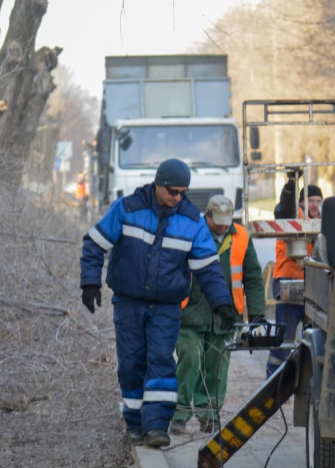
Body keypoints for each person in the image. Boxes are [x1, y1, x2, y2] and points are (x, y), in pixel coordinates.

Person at [79, 159, 236, 449]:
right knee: (131, 365)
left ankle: (155, 427)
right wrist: (90, 282)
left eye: (183, 193)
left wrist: (222, 303)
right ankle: (135, 425)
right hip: (128, 303)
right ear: (158, 185)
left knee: (161, 362)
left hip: (166, 307)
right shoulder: (127, 209)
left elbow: (208, 269)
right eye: (173, 192)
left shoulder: (191, 221)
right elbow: (94, 243)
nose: (178, 198)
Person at [171, 195, 265, 435]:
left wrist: (257, 315)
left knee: (217, 366)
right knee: (190, 357)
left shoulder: (242, 237)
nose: (223, 226)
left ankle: (209, 415)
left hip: (225, 316)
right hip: (190, 312)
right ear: (208, 216)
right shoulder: (192, 232)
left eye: (227, 220)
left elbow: (253, 278)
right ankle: (180, 413)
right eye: (218, 221)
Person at [266, 177, 323, 377]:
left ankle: (303, 382)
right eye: (311, 200)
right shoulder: (295, 216)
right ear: (302, 202)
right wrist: (290, 190)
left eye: (318, 201)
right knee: (285, 343)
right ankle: (274, 382)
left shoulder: (321, 221)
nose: (315, 205)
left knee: (313, 342)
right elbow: (283, 210)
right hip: (288, 284)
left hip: (313, 288)